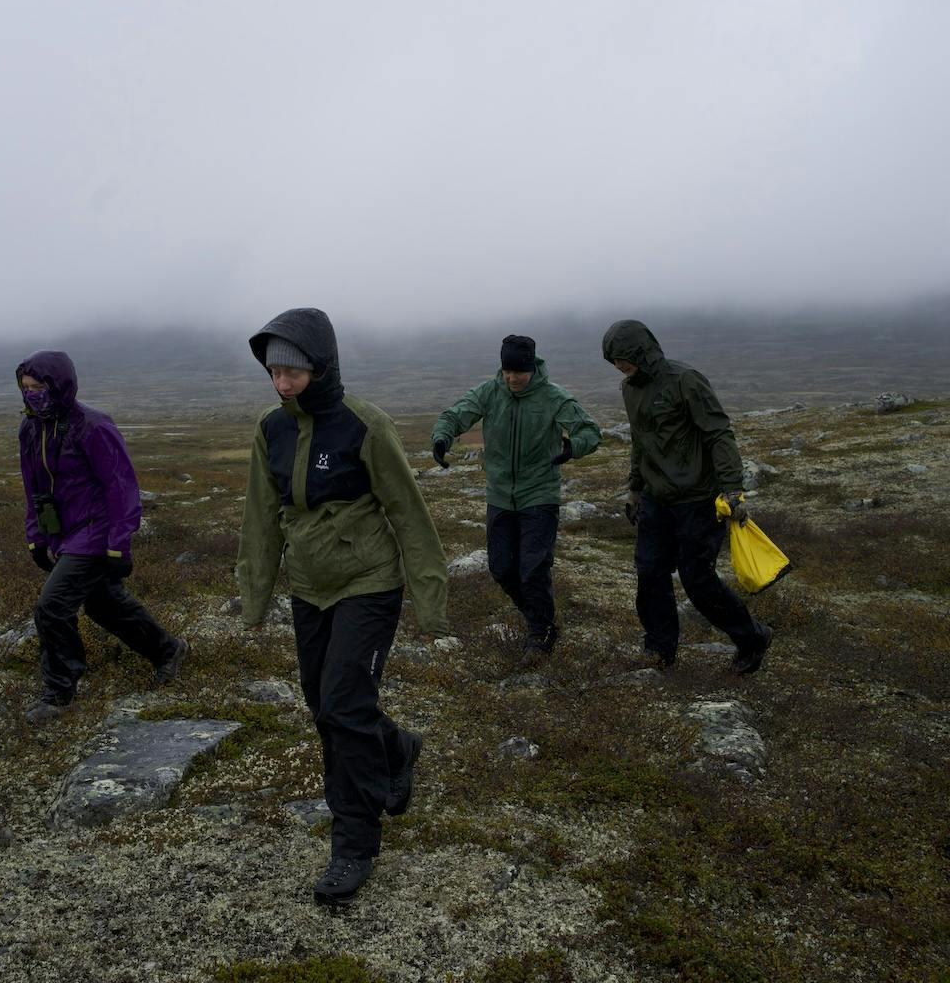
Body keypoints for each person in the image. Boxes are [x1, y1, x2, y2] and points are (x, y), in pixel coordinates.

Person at [236, 308, 450, 907]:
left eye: (293, 374)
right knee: (322, 703)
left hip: (369, 582)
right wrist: (255, 595)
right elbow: (260, 516)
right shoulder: (270, 430)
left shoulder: (365, 425)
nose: (281, 384)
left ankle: (353, 843)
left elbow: (409, 512)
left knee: (345, 707)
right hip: (309, 585)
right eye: (273, 373)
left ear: (321, 368)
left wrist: (430, 601)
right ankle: (397, 747)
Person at [16, 350, 188, 722]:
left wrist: (119, 542)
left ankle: (58, 694)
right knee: (102, 603)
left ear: (59, 385)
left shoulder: (92, 426)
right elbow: (33, 487)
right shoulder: (31, 428)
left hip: (94, 534)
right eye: (26, 388)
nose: (31, 394)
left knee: (52, 606)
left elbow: (121, 486)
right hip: (63, 534)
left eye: (39, 387)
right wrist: (37, 536)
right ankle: (168, 650)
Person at [600, 320, 772, 674]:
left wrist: (732, 489)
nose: (619, 366)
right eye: (613, 361)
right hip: (655, 499)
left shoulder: (685, 380)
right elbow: (640, 441)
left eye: (623, 358)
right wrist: (634, 490)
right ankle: (660, 651)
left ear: (641, 352)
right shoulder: (629, 389)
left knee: (698, 580)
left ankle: (751, 637)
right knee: (650, 574)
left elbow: (718, 434)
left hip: (697, 499)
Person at [431, 334, 601, 656]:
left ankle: (540, 634)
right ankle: (542, 620)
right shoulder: (490, 391)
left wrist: (572, 447)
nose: (512, 378)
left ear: (531, 368)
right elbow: (455, 415)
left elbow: (589, 431)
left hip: (539, 494)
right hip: (499, 495)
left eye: (518, 372)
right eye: (507, 371)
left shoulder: (553, 397)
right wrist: (442, 438)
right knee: (501, 569)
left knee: (533, 568)